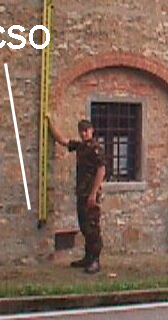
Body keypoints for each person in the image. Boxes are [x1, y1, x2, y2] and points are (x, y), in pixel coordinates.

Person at [47, 114, 106, 274]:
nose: (84, 134)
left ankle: (95, 260)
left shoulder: (96, 149)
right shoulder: (81, 147)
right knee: (84, 226)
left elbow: (101, 170)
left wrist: (93, 193)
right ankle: (88, 257)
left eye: (86, 130)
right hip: (82, 193)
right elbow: (63, 140)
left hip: (90, 194)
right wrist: (50, 123)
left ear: (92, 131)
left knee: (92, 228)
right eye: (81, 131)